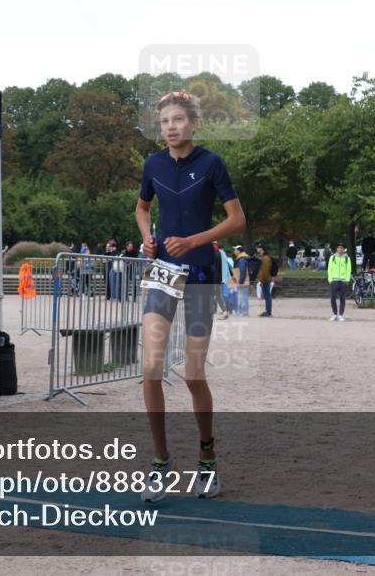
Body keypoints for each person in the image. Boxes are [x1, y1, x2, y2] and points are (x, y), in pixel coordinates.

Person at [135, 90, 245, 503]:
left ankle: (207, 458)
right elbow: (142, 208)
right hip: (163, 271)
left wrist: (194, 240)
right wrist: (149, 239)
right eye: (165, 121)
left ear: (194, 124)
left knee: (193, 374)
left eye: (178, 120)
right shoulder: (153, 164)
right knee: (150, 367)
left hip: (200, 272)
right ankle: (161, 463)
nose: (170, 127)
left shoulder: (212, 163)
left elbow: (237, 219)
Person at [327, 242, 351, 321]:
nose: (340, 249)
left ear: (344, 250)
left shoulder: (347, 258)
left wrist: (347, 280)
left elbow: (348, 270)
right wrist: (330, 279)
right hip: (334, 280)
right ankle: (335, 314)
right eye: (339, 248)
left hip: (343, 280)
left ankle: (340, 315)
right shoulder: (332, 257)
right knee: (333, 298)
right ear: (337, 249)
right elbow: (329, 269)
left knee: (342, 298)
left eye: (342, 248)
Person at [255, 243, 274, 317]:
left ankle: (268, 311)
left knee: (267, 296)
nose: (257, 249)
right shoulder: (265, 257)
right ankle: (267, 310)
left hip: (265, 279)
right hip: (266, 279)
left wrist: (262, 281)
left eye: (258, 248)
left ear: (261, 249)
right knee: (267, 295)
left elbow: (265, 271)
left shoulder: (265, 258)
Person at [233, 245, 251, 317]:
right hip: (242, 280)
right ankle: (241, 311)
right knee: (241, 296)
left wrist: (240, 281)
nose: (234, 251)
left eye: (235, 250)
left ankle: (244, 312)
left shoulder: (242, 259)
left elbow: (242, 270)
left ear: (239, 251)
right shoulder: (242, 258)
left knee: (242, 297)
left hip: (242, 281)